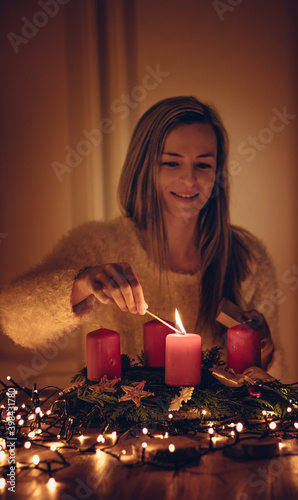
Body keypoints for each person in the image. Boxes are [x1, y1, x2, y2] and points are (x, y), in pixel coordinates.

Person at [0, 96, 280, 372]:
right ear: (144, 168)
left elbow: (277, 385)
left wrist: (263, 350)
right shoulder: (102, 244)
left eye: (203, 165)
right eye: (172, 163)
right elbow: (14, 319)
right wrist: (83, 283)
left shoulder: (248, 259)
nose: (190, 179)